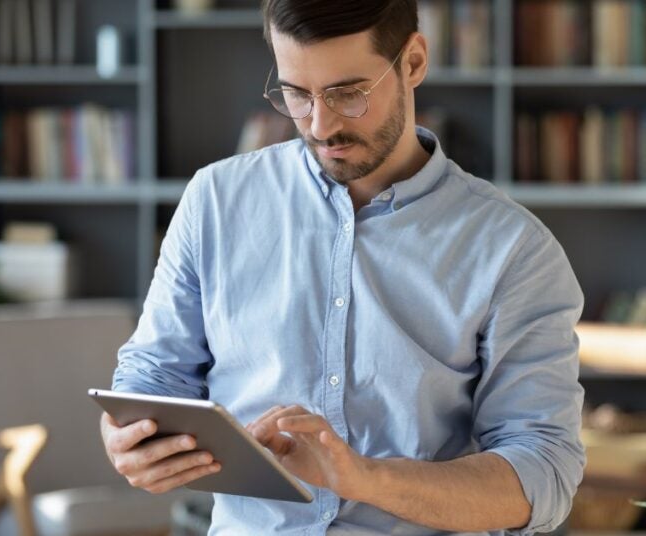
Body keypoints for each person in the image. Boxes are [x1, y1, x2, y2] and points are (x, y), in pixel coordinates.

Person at [100, 0, 585, 533]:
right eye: (296, 94)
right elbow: (153, 376)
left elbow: (543, 474)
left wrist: (365, 479)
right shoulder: (215, 200)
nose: (320, 124)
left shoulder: (513, 248)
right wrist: (129, 439)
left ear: (414, 63)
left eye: (347, 93)